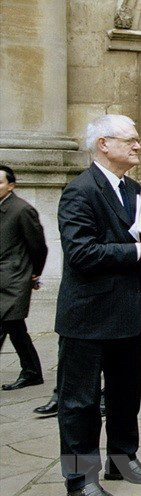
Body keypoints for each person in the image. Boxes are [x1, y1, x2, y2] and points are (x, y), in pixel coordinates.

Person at [55, 114, 141, 496]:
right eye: (130, 140)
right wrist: (137, 251)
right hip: (87, 317)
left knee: (124, 395)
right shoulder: (80, 191)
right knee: (79, 404)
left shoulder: (133, 187)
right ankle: (80, 480)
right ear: (104, 144)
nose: (138, 146)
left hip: (126, 313)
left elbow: (133, 234)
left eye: (137, 139)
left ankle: (122, 459)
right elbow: (80, 253)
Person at [0, 164, 48, 391]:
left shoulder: (22, 209)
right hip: (4, 278)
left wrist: (34, 272)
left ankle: (31, 371)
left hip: (15, 278)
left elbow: (38, 246)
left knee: (6, 324)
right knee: (15, 327)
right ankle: (32, 371)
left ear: (11, 185)